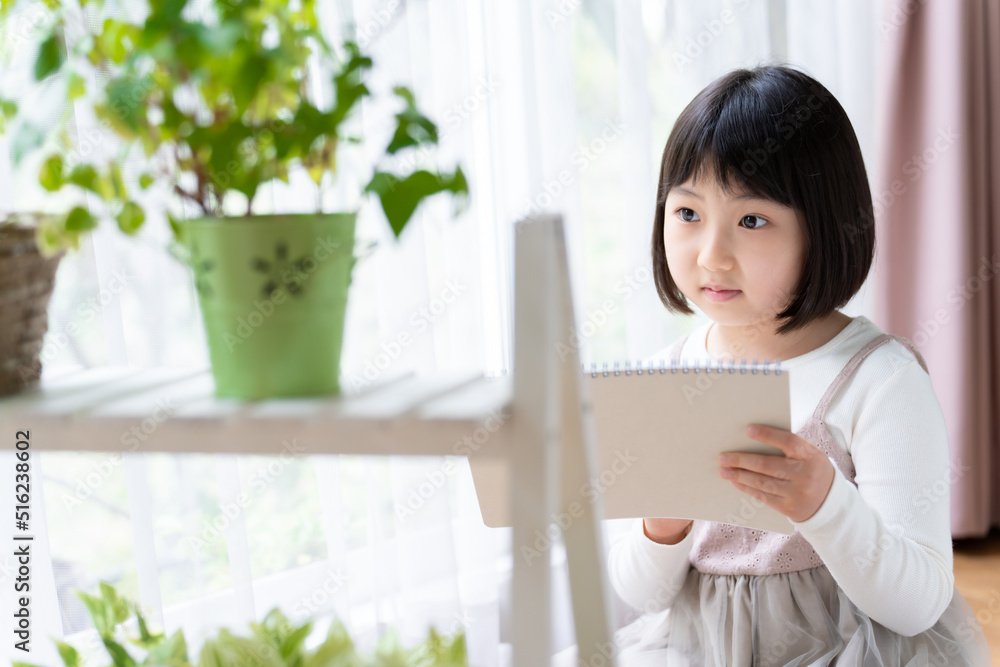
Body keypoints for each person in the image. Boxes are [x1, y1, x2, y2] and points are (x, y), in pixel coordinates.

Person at [597, 65, 992, 666]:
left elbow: (918, 604)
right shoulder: (669, 376)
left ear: (825, 228)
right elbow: (638, 596)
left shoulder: (879, 380)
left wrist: (826, 505)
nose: (711, 256)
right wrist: (663, 526)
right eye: (687, 213)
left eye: (751, 220)